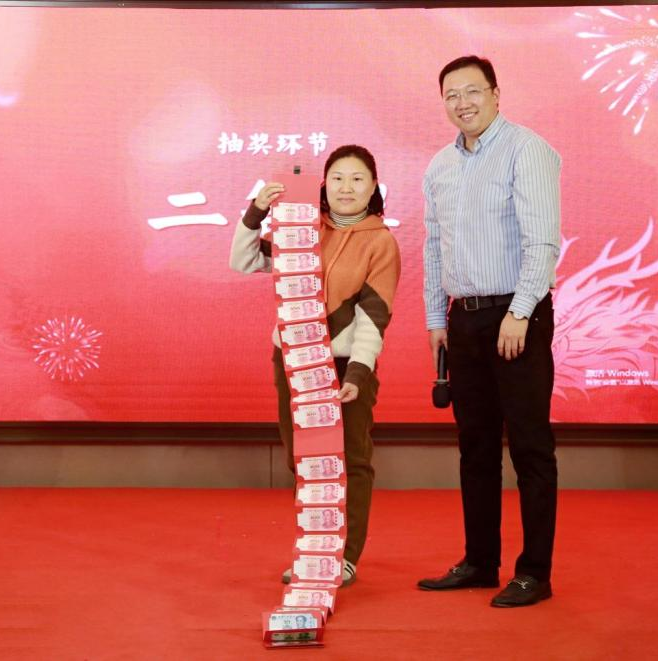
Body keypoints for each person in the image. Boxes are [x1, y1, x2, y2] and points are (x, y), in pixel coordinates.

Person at [417, 56, 561, 608]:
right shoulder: (440, 166)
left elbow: (542, 239)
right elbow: (435, 247)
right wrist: (437, 319)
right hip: (464, 319)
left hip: (518, 314)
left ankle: (534, 572)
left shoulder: (528, 150)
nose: (462, 103)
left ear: (496, 94)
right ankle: (479, 561)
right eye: (451, 95)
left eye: (472, 91)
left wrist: (520, 312)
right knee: (474, 447)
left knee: (529, 446)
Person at [230, 145, 401, 588]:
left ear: (374, 187)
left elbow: (374, 318)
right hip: (294, 360)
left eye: (358, 179)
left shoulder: (380, 242)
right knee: (304, 461)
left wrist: (358, 374)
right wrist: (257, 211)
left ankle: (345, 556)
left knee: (352, 460)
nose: (347, 187)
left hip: (346, 366)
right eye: (338, 178)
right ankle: (315, 551)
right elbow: (243, 260)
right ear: (324, 185)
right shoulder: (301, 229)